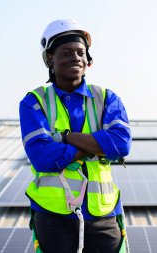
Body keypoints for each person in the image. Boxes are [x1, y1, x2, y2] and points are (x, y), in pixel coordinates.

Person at [19, 19, 131, 253]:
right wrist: (97, 145)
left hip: (104, 213)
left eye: (81, 52)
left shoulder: (107, 98)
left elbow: (120, 144)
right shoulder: (34, 102)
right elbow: (42, 157)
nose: (76, 57)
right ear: (50, 58)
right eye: (66, 52)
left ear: (88, 59)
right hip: (53, 217)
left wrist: (66, 137)